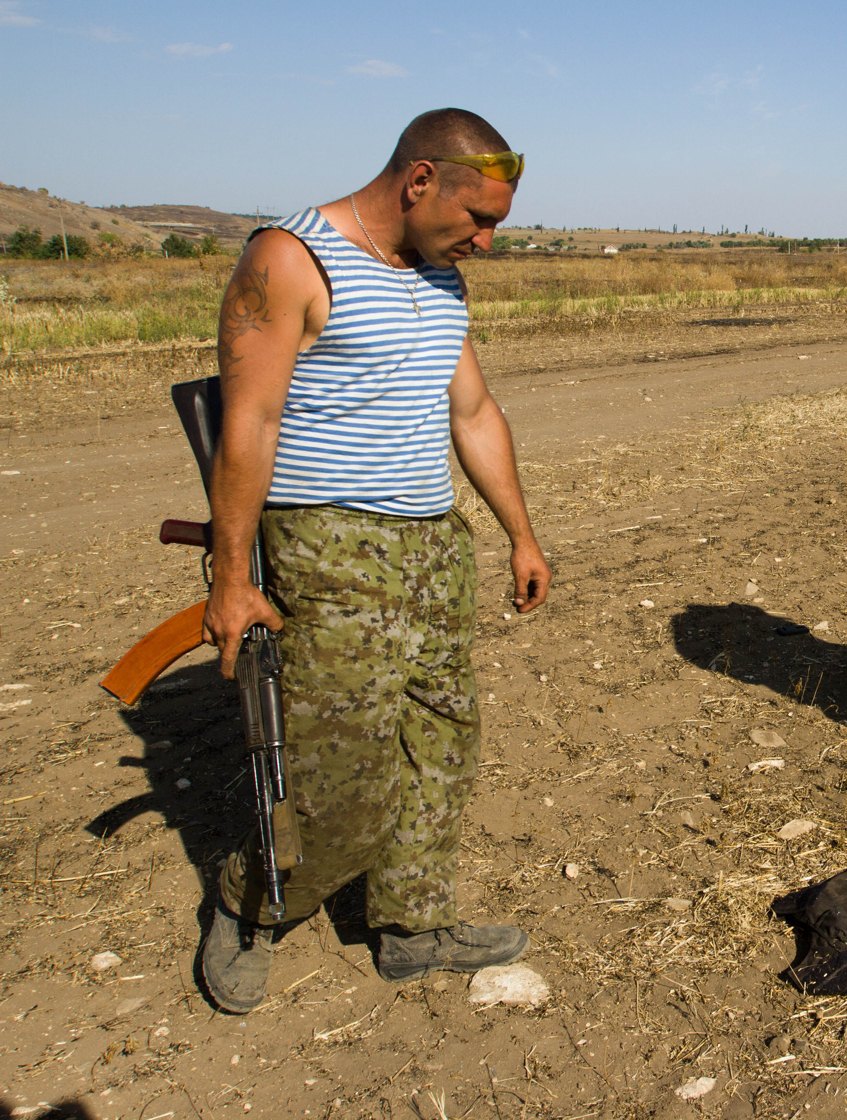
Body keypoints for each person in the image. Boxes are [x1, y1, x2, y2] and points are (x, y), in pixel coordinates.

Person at [196, 108, 552, 1013]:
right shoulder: (291, 259)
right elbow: (251, 424)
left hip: (431, 543)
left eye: (497, 226)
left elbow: (471, 412)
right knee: (338, 769)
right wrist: (231, 578)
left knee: (442, 736)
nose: (487, 240)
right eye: (479, 221)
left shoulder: (442, 281)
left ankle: (412, 921)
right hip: (329, 542)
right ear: (419, 179)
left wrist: (519, 533)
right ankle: (251, 905)